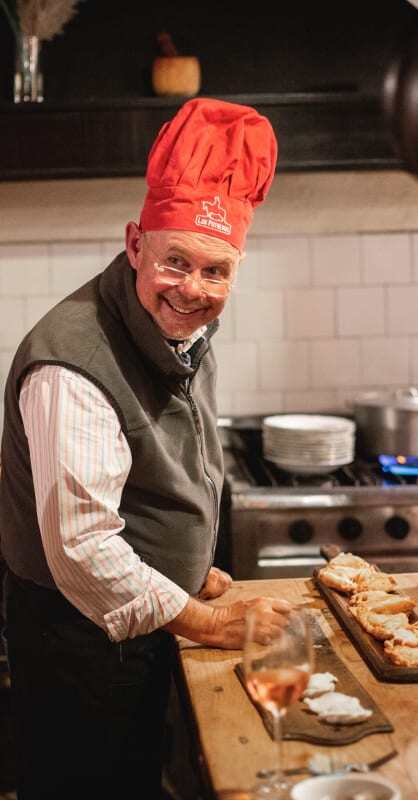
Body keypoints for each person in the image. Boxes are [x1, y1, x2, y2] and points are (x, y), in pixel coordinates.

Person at [0, 98, 291, 800]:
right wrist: (215, 624)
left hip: (143, 630)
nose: (193, 289)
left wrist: (185, 569)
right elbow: (84, 550)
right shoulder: (72, 363)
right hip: (83, 654)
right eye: (175, 262)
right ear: (136, 245)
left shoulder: (177, 328)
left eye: (216, 271)